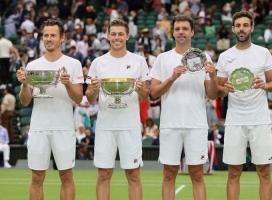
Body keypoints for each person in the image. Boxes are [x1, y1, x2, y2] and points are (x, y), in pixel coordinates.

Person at [149, 14, 218, 200]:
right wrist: (171, 78)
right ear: (173, 32)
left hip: (196, 124)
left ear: (192, 32)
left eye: (185, 29)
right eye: (178, 29)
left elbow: (211, 94)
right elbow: (154, 92)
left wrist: (212, 77)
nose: (181, 32)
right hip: (170, 124)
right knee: (169, 174)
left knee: (197, 175)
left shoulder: (204, 58)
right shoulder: (162, 59)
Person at [216, 11, 272, 200]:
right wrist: (224, 88)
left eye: (245, 25)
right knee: (234, 172)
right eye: (238, 25)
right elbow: (218, 90)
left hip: (260, 119)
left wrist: (265, 85)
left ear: (251, 28)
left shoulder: (263, 53)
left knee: (264, 172)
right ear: (233, 29)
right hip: (235, 120)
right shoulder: (225, 56)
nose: (241, 29)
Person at [16, 19, 84, 200]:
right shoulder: (32, 66)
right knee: (37, 177)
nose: (48, 38)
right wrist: (24, 85)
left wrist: (67, 83)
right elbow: (24, 101)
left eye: (53, 35)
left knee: (66, 176)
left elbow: (78, 97)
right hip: (39, 127)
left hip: (64, 127)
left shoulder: (73, 64)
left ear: (62, 38)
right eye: (46, 35)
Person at [85, 19, 149, 200]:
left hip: (130, 125)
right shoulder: (98, 62)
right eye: (113, 34)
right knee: (104, 174)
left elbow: (146, 95)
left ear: (127, 36)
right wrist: (94, 89)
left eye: (121, 34)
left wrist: (139, 89)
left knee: (133, 175)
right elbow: (90, 98)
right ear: (108, 36)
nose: (117, 37)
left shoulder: (139, 61)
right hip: (106, 125)